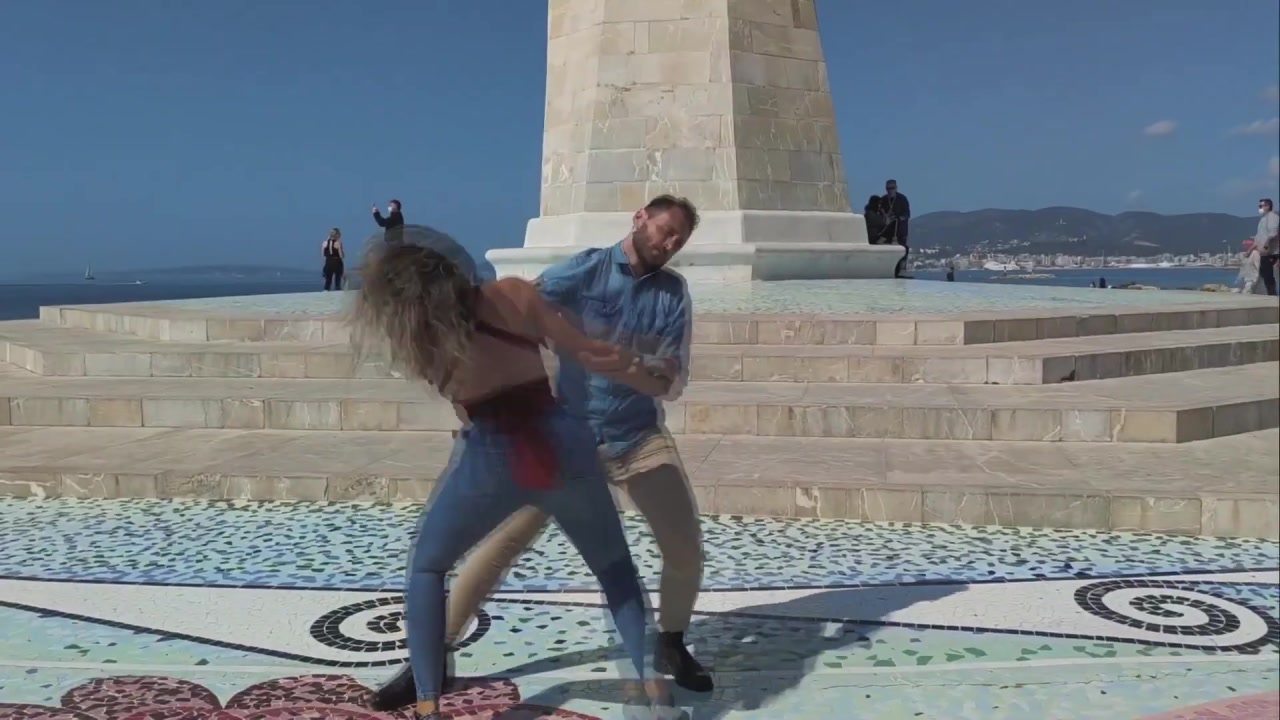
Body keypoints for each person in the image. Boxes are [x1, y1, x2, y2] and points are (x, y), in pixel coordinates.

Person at [371, 195, 712, 711]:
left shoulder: (672, 292)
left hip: (634, 436)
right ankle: (432, 657)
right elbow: (516, 309)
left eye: (679, 240)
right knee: (497, 549)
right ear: (640, 217)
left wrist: (647, 369)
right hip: (563, 439)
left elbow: (670, 373)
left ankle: (671, 641)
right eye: (665, 230)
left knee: (683, 546)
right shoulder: (585, 269)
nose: (669, 244)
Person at [881, 179, 911, 277]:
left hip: (901, 230)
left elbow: (907, 213)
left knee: (903, 249)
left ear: (896, 188)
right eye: (888, 189)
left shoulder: (902, 199)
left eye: (892, 188)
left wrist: (900, 217)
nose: (890, 190)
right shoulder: (884, 200)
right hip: (888, 231)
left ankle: (902, 269)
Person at [1256, 198, 1279, 296]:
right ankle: (1269, 293)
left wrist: (1266, 245)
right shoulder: (1263, 218)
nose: (1260, 208)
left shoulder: (1272, 217)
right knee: (1264, 273)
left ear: (1268, 206)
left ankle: (1272, 294)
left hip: (1271, 252)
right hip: (1264, 252)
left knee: (1268, 275)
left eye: (1261, 206)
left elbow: (1273, 233)